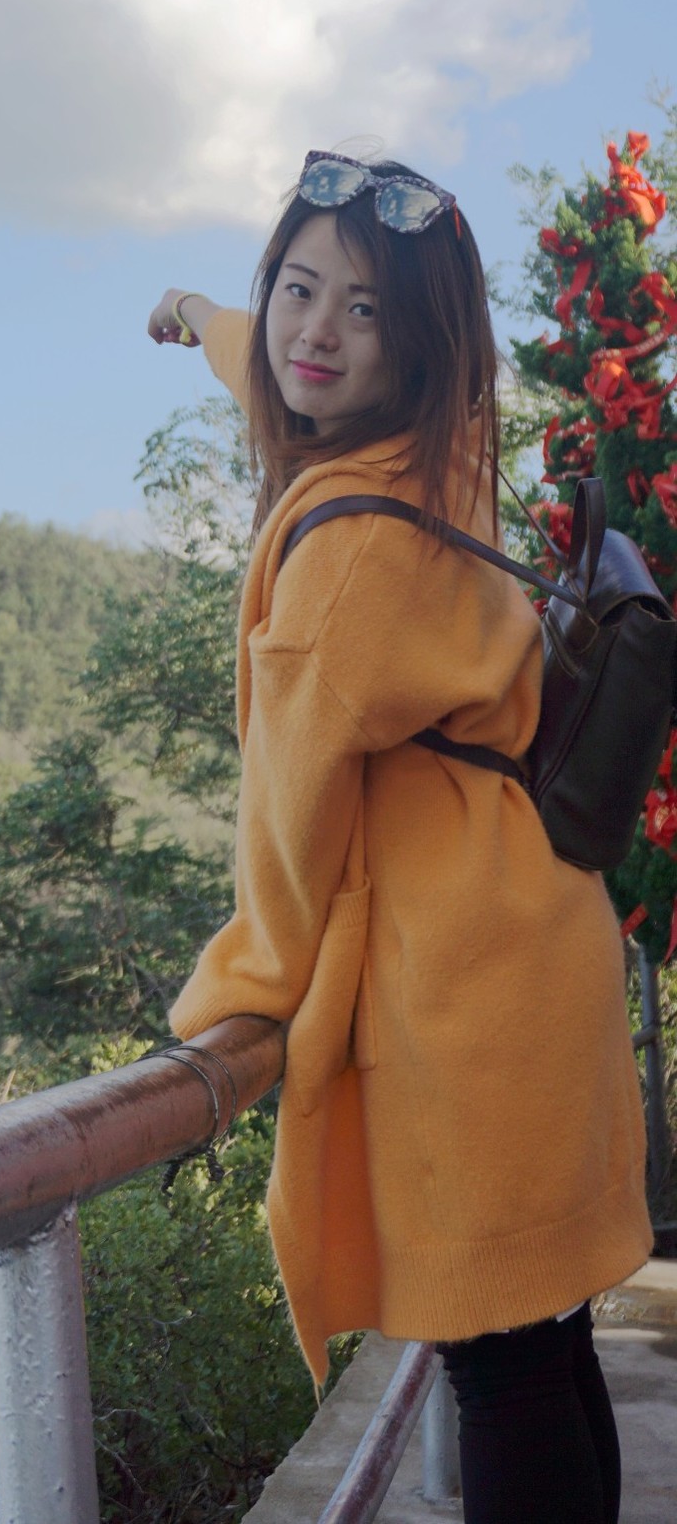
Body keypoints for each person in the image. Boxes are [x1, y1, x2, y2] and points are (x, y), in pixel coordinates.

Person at [148, 151, 651, 1524]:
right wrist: (194, 314)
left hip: (464, 989)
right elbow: (268, 360)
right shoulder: (440, 454)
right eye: (299, 289)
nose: (316, 332)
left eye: (364, 310)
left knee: (503, 1370)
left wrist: (248, 987)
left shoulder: (344, 558)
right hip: (536, 932)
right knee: (546, 1342)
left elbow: (291, 819)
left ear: (417, 343)